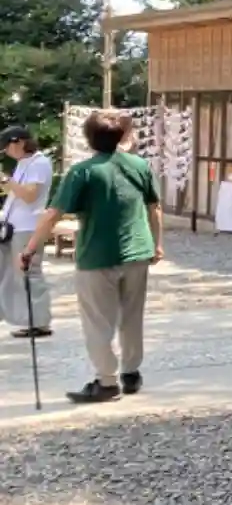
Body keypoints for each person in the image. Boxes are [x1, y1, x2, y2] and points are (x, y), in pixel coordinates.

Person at [16, 110, 162, 405]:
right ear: (121, 136)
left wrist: (30, 249)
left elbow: (53, 214)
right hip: (138, 252)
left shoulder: (83, 172)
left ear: (89, 139)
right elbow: (154, 208)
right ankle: (131, 372)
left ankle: (107, 381)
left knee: (98, 322)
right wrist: (157, 244)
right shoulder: (139, 165)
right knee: (132, 317)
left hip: (97, 255)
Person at [0, 127, 54, 338]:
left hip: (28, 227)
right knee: (15, 274)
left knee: (30, 273)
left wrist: (6, 180)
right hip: (15, 225)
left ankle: (39, 322)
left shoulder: (39, 163)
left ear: (20, 142)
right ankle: (26, 318)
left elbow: (30, 196)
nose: (6, 152)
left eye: (7, 146)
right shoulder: (24, 163)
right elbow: (16, 194)